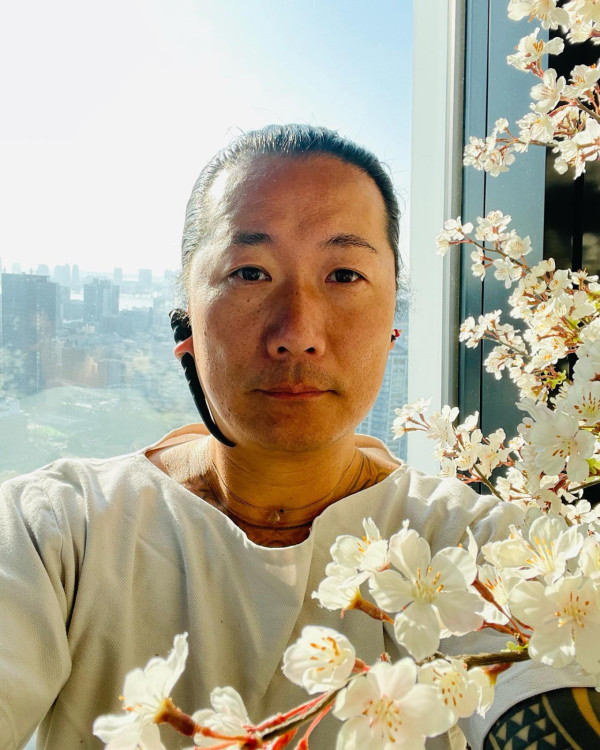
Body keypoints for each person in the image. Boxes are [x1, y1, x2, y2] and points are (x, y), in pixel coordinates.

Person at [1, 124, 598, 750]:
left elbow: (545, 688)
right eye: (249, 272)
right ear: (186, 325)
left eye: (344, 275)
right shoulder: (56, 532)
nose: (297, 333)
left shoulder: (481, 546)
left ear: (393, 326)